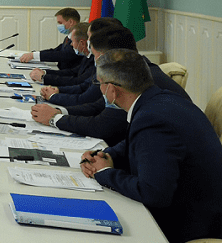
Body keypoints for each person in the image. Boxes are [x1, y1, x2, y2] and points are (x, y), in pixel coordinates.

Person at [79, 49, 222, 243]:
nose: (100, 90)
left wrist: (104, 173)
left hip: (189, 226)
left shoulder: (151, 120)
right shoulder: (163, 100)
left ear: (112, 89)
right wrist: (107, 155)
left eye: (99, 83)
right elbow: (141, 144)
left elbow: (153, 193)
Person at [30, 27, 189, 146]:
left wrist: (54, 119)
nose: (94, 60)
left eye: (95, 56)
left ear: (109, 56)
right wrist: (59, 113)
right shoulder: (136, 68)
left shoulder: (133, 80)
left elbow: (104, 126)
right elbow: (98, 106)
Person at [29, 22, 94, 86]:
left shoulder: (93, 61)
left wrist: (44, 78)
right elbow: (72, 72)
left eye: (73, 41)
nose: (71, 44)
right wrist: (45, 72)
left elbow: (77, 81)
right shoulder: (87, 57)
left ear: (82, 43)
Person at [18, 7, 84, 70]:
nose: (59, 25)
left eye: (60, 23)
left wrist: (34, 55)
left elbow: (63, 55)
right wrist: (34, 54)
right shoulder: (68, 37)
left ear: (71, 22)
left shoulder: (79, 38)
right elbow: (56, 51)